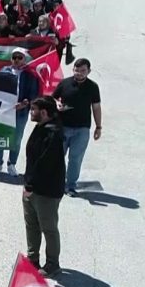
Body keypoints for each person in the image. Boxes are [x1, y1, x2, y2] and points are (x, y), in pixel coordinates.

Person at [23, 97, 66, 276]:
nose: (31, 112)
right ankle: (32, 259)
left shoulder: (53, 133)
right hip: (31, 187)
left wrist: (30, 185)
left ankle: (52, 264)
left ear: (44, 112)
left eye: (33, 109)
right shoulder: (40, 127)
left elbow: (45, 163)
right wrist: (27, 184)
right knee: (31, 224)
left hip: (46, 191)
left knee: (48, 227)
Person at [52, 58, 102, 196]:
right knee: (57, 156)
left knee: (75, 159)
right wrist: (57, 104)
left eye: (83, 71)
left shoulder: (93, 87)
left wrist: (98, 127)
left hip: (82, 129)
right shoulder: (64, 83)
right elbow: (53, 98)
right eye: (76, 70)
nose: (79, 73)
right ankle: (56, 183)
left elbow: (96, 107)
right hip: (63, 127)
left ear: (89, 71)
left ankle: (70, 186)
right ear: (73, 69)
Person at [0, 48, 40, 177]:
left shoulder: (30, 74)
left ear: (24, 59)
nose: (17, 60)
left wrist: (24, 104)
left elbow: (33, 93)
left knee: (16, 139)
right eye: (14, 57)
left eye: (20, 57)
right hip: (4, 111)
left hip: (20, 113)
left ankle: (12, 164)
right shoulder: (4, 71)